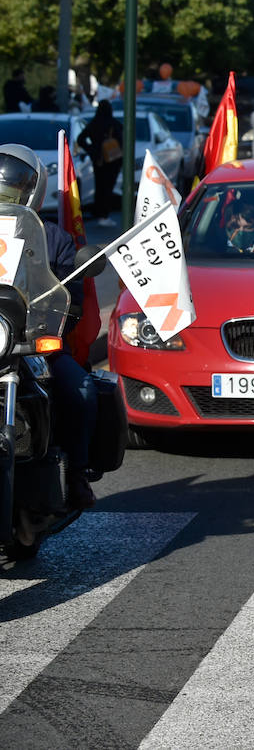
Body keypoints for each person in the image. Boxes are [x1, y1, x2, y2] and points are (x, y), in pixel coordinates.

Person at [0, 145, 98, 508]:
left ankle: (75, 474)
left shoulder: (53, 238)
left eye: (10, 195)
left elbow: (69, 291)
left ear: (34, 194)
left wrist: (59, 310)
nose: (4, 201)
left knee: (82, 390)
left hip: (30, 343)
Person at [76, 100, 123, 225]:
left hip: (98, 160)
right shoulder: (114, 124)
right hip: (113, 161)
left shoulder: (94, 123)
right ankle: (104, 215)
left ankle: (98, 213)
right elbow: (122, 141)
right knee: (108, 188)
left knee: (99, 186)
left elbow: (81, 139)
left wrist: (92, 150)